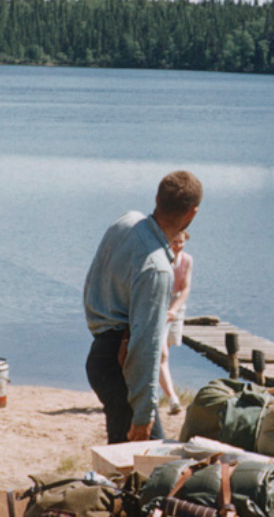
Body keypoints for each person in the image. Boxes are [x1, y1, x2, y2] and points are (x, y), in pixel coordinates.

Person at [84, 171, 202, 443]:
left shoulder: (126, 222)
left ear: (157, 198)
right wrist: (144, 414)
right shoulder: (159, 270)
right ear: (191, 214)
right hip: (120, 363)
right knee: (148, 462)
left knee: (123, 461)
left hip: (100, 354)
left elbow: (95, 279)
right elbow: (145, 346)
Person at [159, 230, 194, 414]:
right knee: (161, 354)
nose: (178, 246)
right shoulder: (161, 259)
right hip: (160, 305)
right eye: (175, 242)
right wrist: (165, 309)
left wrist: (174, 309)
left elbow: (186, 289)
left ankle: (166, 393)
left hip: (177, 305)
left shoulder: (187, 260)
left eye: (181, 242)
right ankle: (172, 398)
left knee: (166, 352)